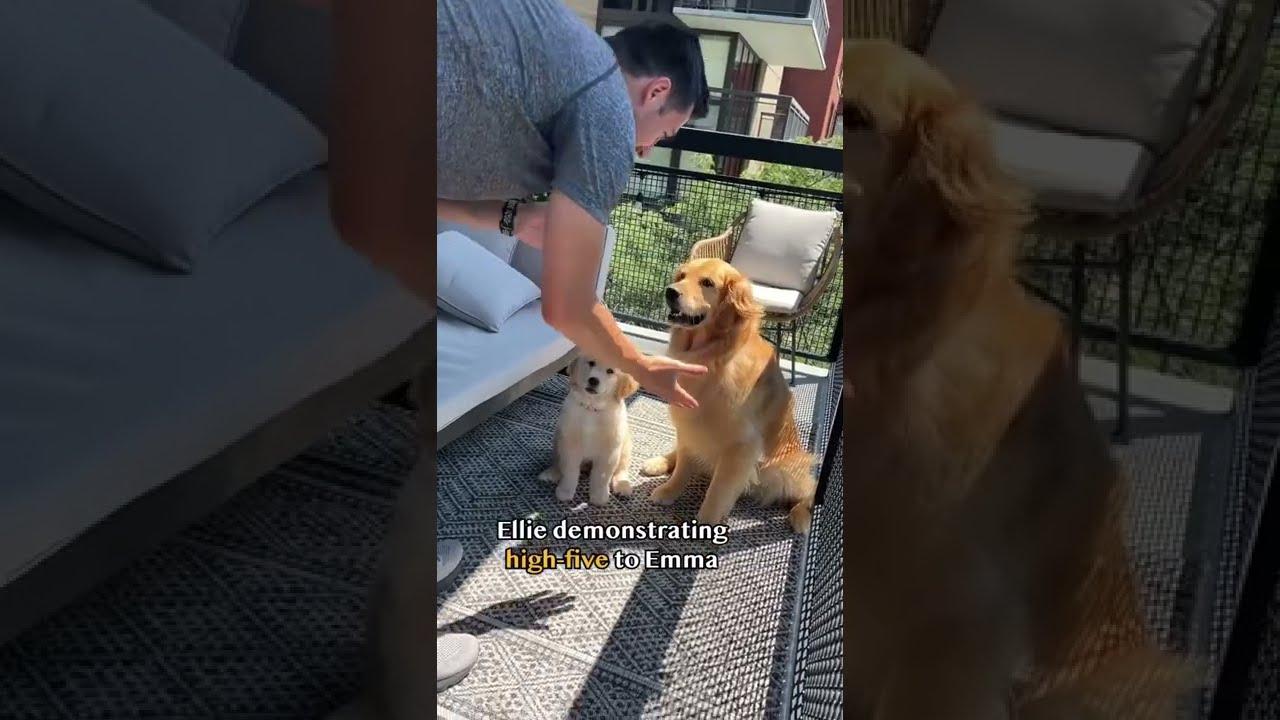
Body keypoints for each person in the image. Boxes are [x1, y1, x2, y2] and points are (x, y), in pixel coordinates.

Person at [327, 1, 713, 717]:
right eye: (669, 132)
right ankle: (391, 669)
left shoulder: (561, 71)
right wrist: (649, 369)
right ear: (655, 92)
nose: (651, 149)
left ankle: (396, 595)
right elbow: (567, 309)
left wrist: (508, 218)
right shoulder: (602, 103)